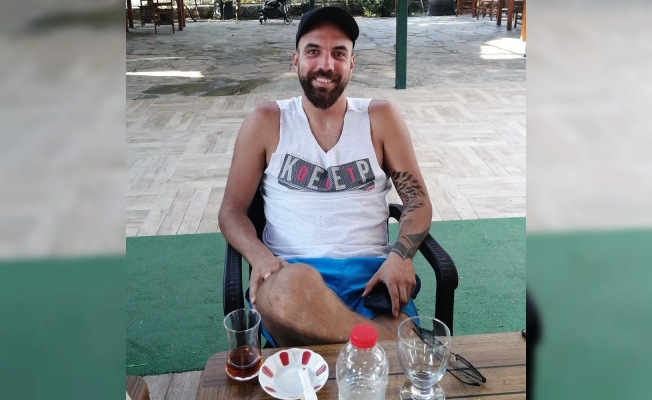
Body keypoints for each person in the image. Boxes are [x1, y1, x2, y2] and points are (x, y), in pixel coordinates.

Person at [218, 7, 432, 347]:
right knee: (284, 294)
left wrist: (401, 256)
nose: (326, 65)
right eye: (313, 51)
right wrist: (260, 257)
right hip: (292, 276)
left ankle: (358, 346)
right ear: (296, 60)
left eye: (339, 54)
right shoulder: (266, 121)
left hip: (373, 279)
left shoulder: (381, 117)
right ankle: (387, 348)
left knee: (315, 331)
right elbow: (231, 211)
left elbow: (417, 200)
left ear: (352, 63)